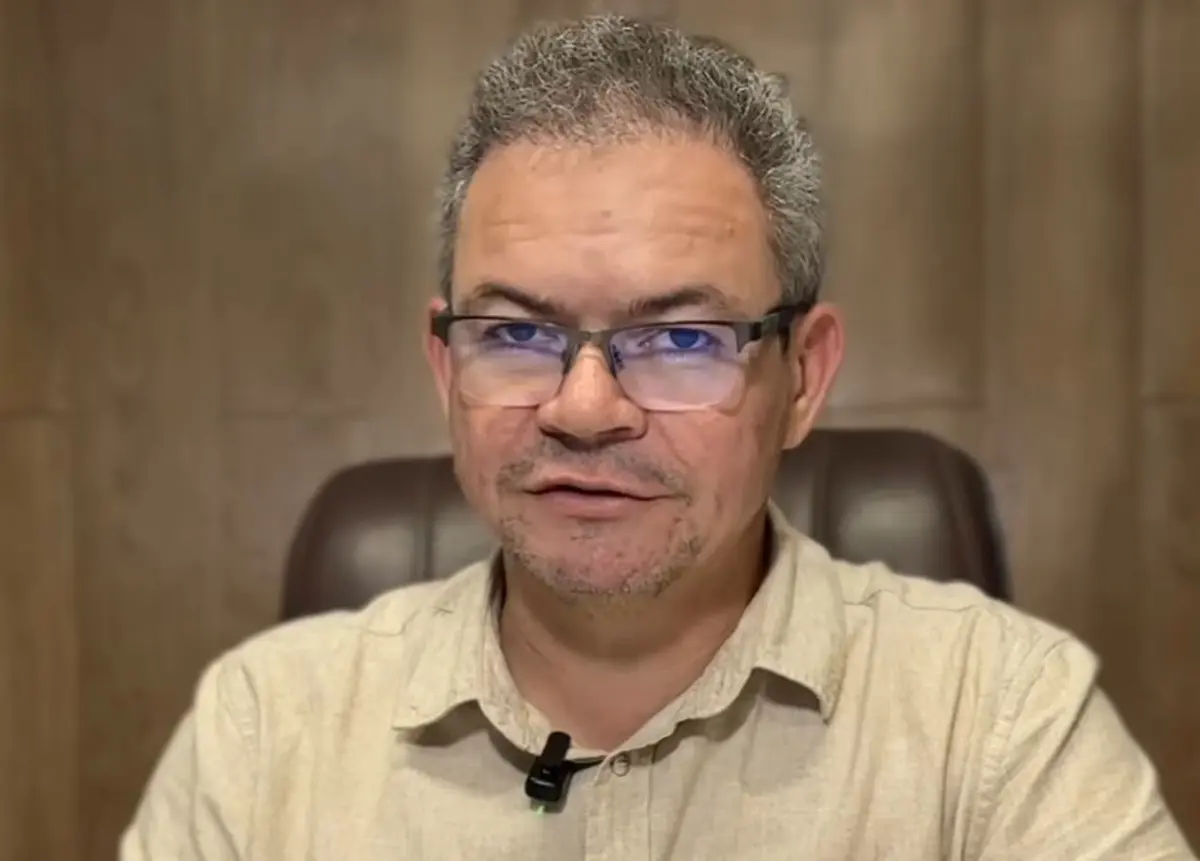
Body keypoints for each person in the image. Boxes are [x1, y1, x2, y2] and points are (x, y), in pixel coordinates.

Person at [121, 14, 1196, 860]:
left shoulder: (998, 717)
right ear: (445, 365)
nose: (585, 409)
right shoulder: (265, 731)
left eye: (682, 337)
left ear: (803, 376)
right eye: (516, 332)